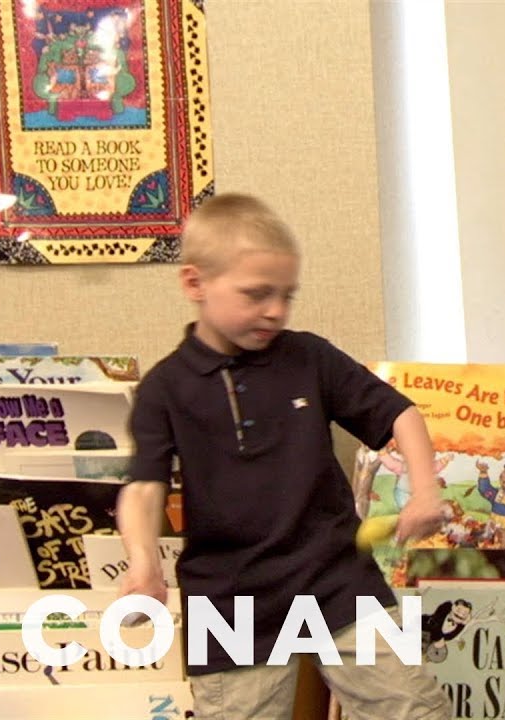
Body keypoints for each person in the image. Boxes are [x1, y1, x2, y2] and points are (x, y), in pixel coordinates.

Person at [116, 193, 452, 719]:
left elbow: (400, 415)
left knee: (415, 710)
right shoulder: (164, 388)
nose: (275, 310)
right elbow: (143, 486)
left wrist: (425, 489)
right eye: (256, 294)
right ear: (194, 283)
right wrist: (143, 564)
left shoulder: (308, 357)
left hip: (335, 576)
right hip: (229, 598)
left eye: (286, 295)